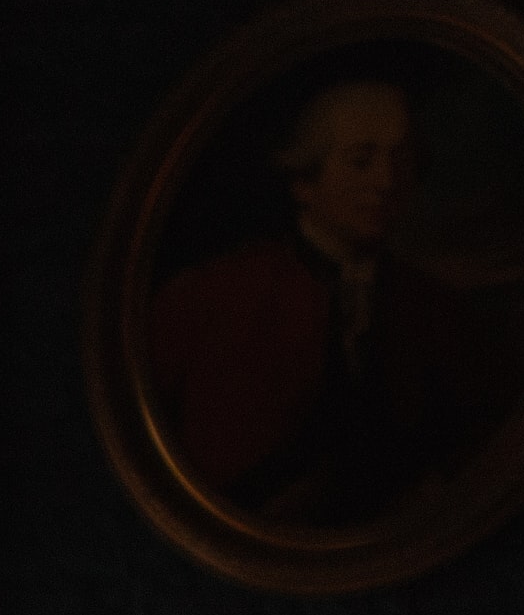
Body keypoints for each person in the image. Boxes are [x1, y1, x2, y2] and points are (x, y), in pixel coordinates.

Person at [140, 71, 503, 530]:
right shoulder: (211, 295)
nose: (386, 181)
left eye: (401, 160)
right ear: (304, 182)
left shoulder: (437, 308)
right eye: (361, 160)